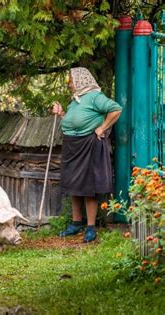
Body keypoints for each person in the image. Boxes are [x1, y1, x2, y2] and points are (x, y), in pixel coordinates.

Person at [51, 67, 122, 242]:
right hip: (73, 145)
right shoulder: (76, 100)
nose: (69, 84)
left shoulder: (94, 96)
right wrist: (61, 114)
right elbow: (74, 121)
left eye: (71, 80)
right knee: (74, 185)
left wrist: (102, 128)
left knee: (89, 187)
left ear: (81, 80)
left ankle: (90, 227)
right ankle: (76, 224)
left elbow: (116, 109)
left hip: (89, 144)